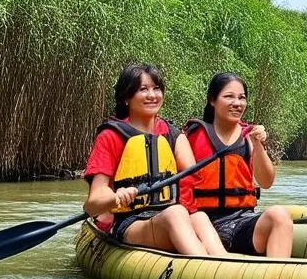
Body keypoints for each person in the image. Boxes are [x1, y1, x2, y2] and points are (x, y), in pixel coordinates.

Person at [83, 63, 226, 256]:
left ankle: (224, 262)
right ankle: (206, 269)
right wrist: (116, 197)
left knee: (198, 216)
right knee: (175, 214)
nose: (152, 95)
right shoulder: (111, 136)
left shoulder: (175, 136)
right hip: (131, 221)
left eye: (156, 88)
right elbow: (93, 203)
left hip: (173, 217)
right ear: (126, 97)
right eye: (143, 89)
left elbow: (189, 186)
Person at [180, 72, 293, 258]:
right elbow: (182, 188)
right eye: (229, 96)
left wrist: (258, 145)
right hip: (203, 222)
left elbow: (266, 182)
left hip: (241, 221)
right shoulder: (191, 137)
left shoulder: (249, 137)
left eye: (242, 98)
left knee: (280, 215)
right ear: (212, 100)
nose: (237, 103)